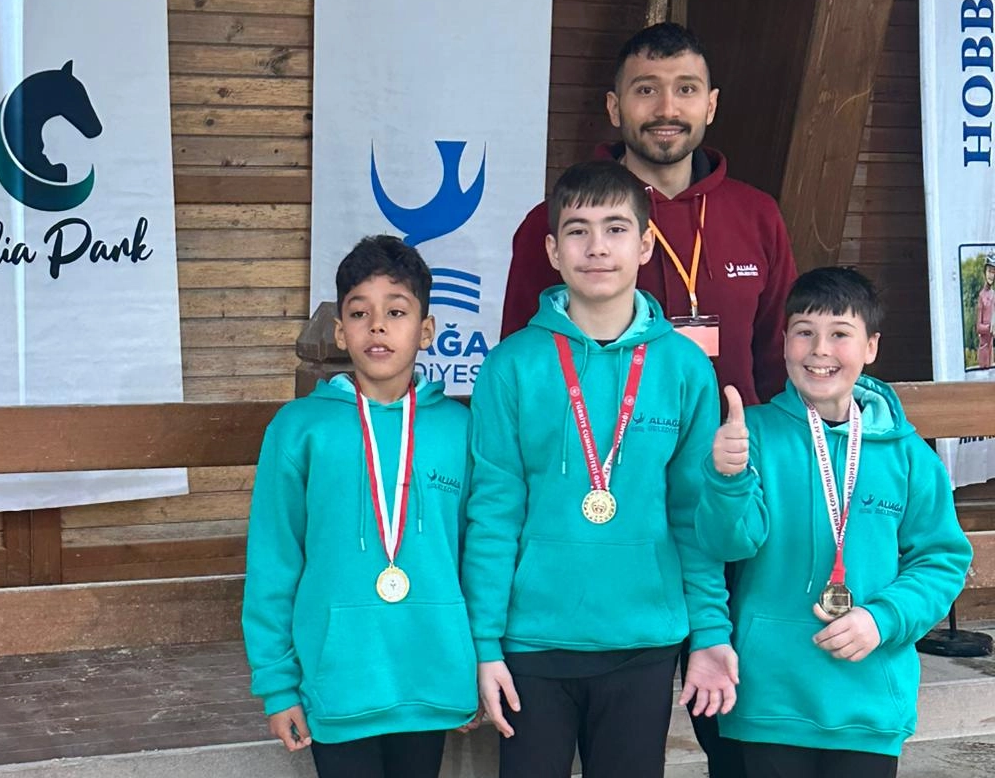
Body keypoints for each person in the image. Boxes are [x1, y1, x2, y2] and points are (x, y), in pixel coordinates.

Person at [462, 161, 737, 778]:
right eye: (578, 231)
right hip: (532, 640)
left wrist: (710, 633)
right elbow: (493, 515)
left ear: (644, 245)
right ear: (552, 251)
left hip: (643, 640)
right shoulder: (510, 366)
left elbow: (693, 518)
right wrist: (483, 643)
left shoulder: (685, 368)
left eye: (615, 229)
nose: (597, 247)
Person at [696, 267, 972, 778]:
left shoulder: (909, 455)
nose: (820, 350)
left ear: (871, 346)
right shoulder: (751, 435)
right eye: (804, 332)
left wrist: (882, 619)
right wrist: (727, 479)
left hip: (868, 700)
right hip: (769, 699)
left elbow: (942, 560)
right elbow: (728, 544)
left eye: (840, 334)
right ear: (784, 342)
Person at [241, 236, 478, 778]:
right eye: (359, 313)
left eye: (396, 312)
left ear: (426, 330)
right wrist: (278, 686)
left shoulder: (460, 429)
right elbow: (275, 560)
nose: (377, 327)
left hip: (431, 678)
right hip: (339, 684)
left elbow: (478, 557)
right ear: (339, 330)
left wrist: (473, 666)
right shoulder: (300, 429)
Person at [501, 22, 797, 409]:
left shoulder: (757, 214)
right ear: (614, 107)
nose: (667, 109)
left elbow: (781, 357)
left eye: (686, 89)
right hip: (600, 444)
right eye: (646, 90)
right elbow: (522, 365)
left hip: (736, 442)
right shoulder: (558, 221)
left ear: (711, 106)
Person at [976, 252, 994, 368]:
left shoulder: (994, 295)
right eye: (989, 271)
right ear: (985, 272)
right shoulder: (981, 296)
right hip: (984, 349)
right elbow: (978, 327)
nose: (991, 275)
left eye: (994, 272)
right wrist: (990, 328)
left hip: (992, 348)